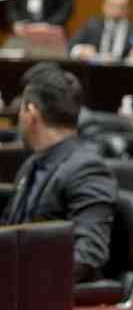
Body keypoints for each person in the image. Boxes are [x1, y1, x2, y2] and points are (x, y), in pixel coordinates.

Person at [0, 63, 117, 283]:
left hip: (44, 299)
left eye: (21, 108)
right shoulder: (32, 164)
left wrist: (22, 280)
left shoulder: (88, 170)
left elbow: (87, 256)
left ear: (32, 112)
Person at [68, 0, 133, 61]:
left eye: (121, 7)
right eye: (112, 6)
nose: (116, 12)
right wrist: (80, 50)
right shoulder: (91, 26)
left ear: (128, 9)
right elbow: (71, 46)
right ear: (104, 6)